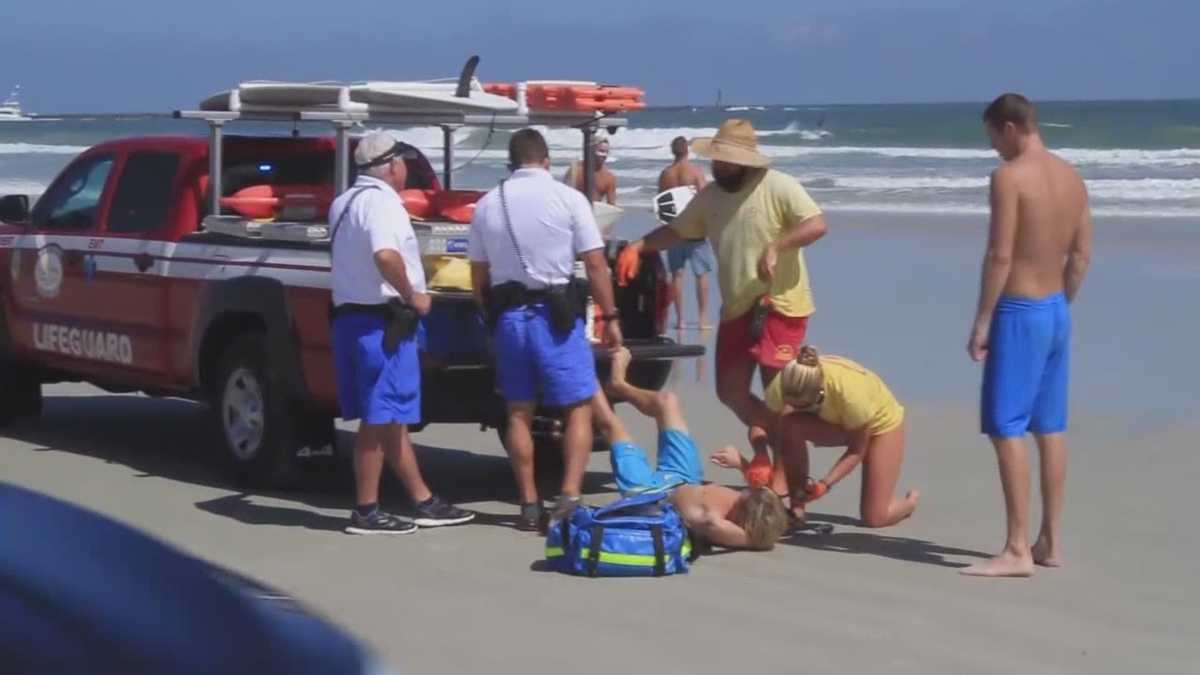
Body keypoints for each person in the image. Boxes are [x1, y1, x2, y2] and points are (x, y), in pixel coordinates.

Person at [616, 119, 829, 497]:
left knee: (777, 394)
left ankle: (790, 486)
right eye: (718, 160)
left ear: (746, 161)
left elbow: (816, 224)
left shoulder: (778, 186)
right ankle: (779, 445)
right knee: (730, 392)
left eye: (728, 161)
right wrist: (637, 246)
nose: (720, 166)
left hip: (780, 305)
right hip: (737, 308)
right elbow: (678, 231)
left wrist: (777, 247)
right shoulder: (711, 196)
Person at [962, 93, 1092, 578]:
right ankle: (1051, 541)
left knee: (1005, 427)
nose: (994, 148)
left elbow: (999, 255)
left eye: (993, 137)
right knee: (1050, 427)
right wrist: (1061, 307)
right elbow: (1080, 256)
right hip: (1057, 310)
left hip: (1019, 311)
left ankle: (1017, 548)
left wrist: (981, 322)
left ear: (1009, 128)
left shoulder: (1009, 178)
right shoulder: (1072, 177)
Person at [468, 128, 623, 531]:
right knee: (576, 408)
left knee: (518, 412)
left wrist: (491, 318)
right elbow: (593, 264)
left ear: (511, 162)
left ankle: (528, 503)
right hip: (556, 317)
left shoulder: (487, 204)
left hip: (510, 318)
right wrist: (610, 316)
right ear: (548, 160)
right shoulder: (568, 198)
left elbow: (478, 276)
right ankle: (569, 495)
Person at [329, 131, 475, 534]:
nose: (406, 167)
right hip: (382, 322)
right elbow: (385, 255)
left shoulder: (344, 202)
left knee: (389, 416)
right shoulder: (383, 204)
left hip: (352, 320)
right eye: (404, 160)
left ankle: (422, 500)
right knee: (379, 418)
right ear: (391, 165)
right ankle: (365, 510)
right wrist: (413, 294)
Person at [593, 348, 790, 550]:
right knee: (667, 402)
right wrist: (740, 463)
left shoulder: (716, 523)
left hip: (650, 495)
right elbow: (760, 488)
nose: (746, 491)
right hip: (685, 476)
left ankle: (583, 373)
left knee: (611, 425)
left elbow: (715, 526)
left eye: (750, 494)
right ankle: (618, 384)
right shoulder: (751, 500)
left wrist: (751, 539)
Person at [762, 346, 920, 528]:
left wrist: (824, 485)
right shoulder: (781, 385)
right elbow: (769, 430)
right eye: (793, 405)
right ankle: (797, 508)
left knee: (875, 518)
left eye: (804, 406)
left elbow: (856, 451)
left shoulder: (851, 395)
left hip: (880, 427)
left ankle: (909, 503)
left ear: (820, 393)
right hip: (839, 422)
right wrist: (761, 456)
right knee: (790, 425)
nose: (799, 410)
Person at [658, 136, 715, 330]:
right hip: (695, 229)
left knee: (677, 274)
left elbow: (661, 203)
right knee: (701, 274)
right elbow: (706, 198)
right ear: (687, 150)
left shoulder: (666, 174)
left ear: (672, 151)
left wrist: (667, 226)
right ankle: (702, 319)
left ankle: (680, 320)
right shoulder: (695, 172)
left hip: (675, 229)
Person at [563, 130, 618, 204]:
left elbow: (612, 205)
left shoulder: (609, 178)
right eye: (601, 151)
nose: (604, 155)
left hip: (595, 213)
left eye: (606, 152)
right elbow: (565, 196)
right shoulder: (575, 170)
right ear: (591, 150)